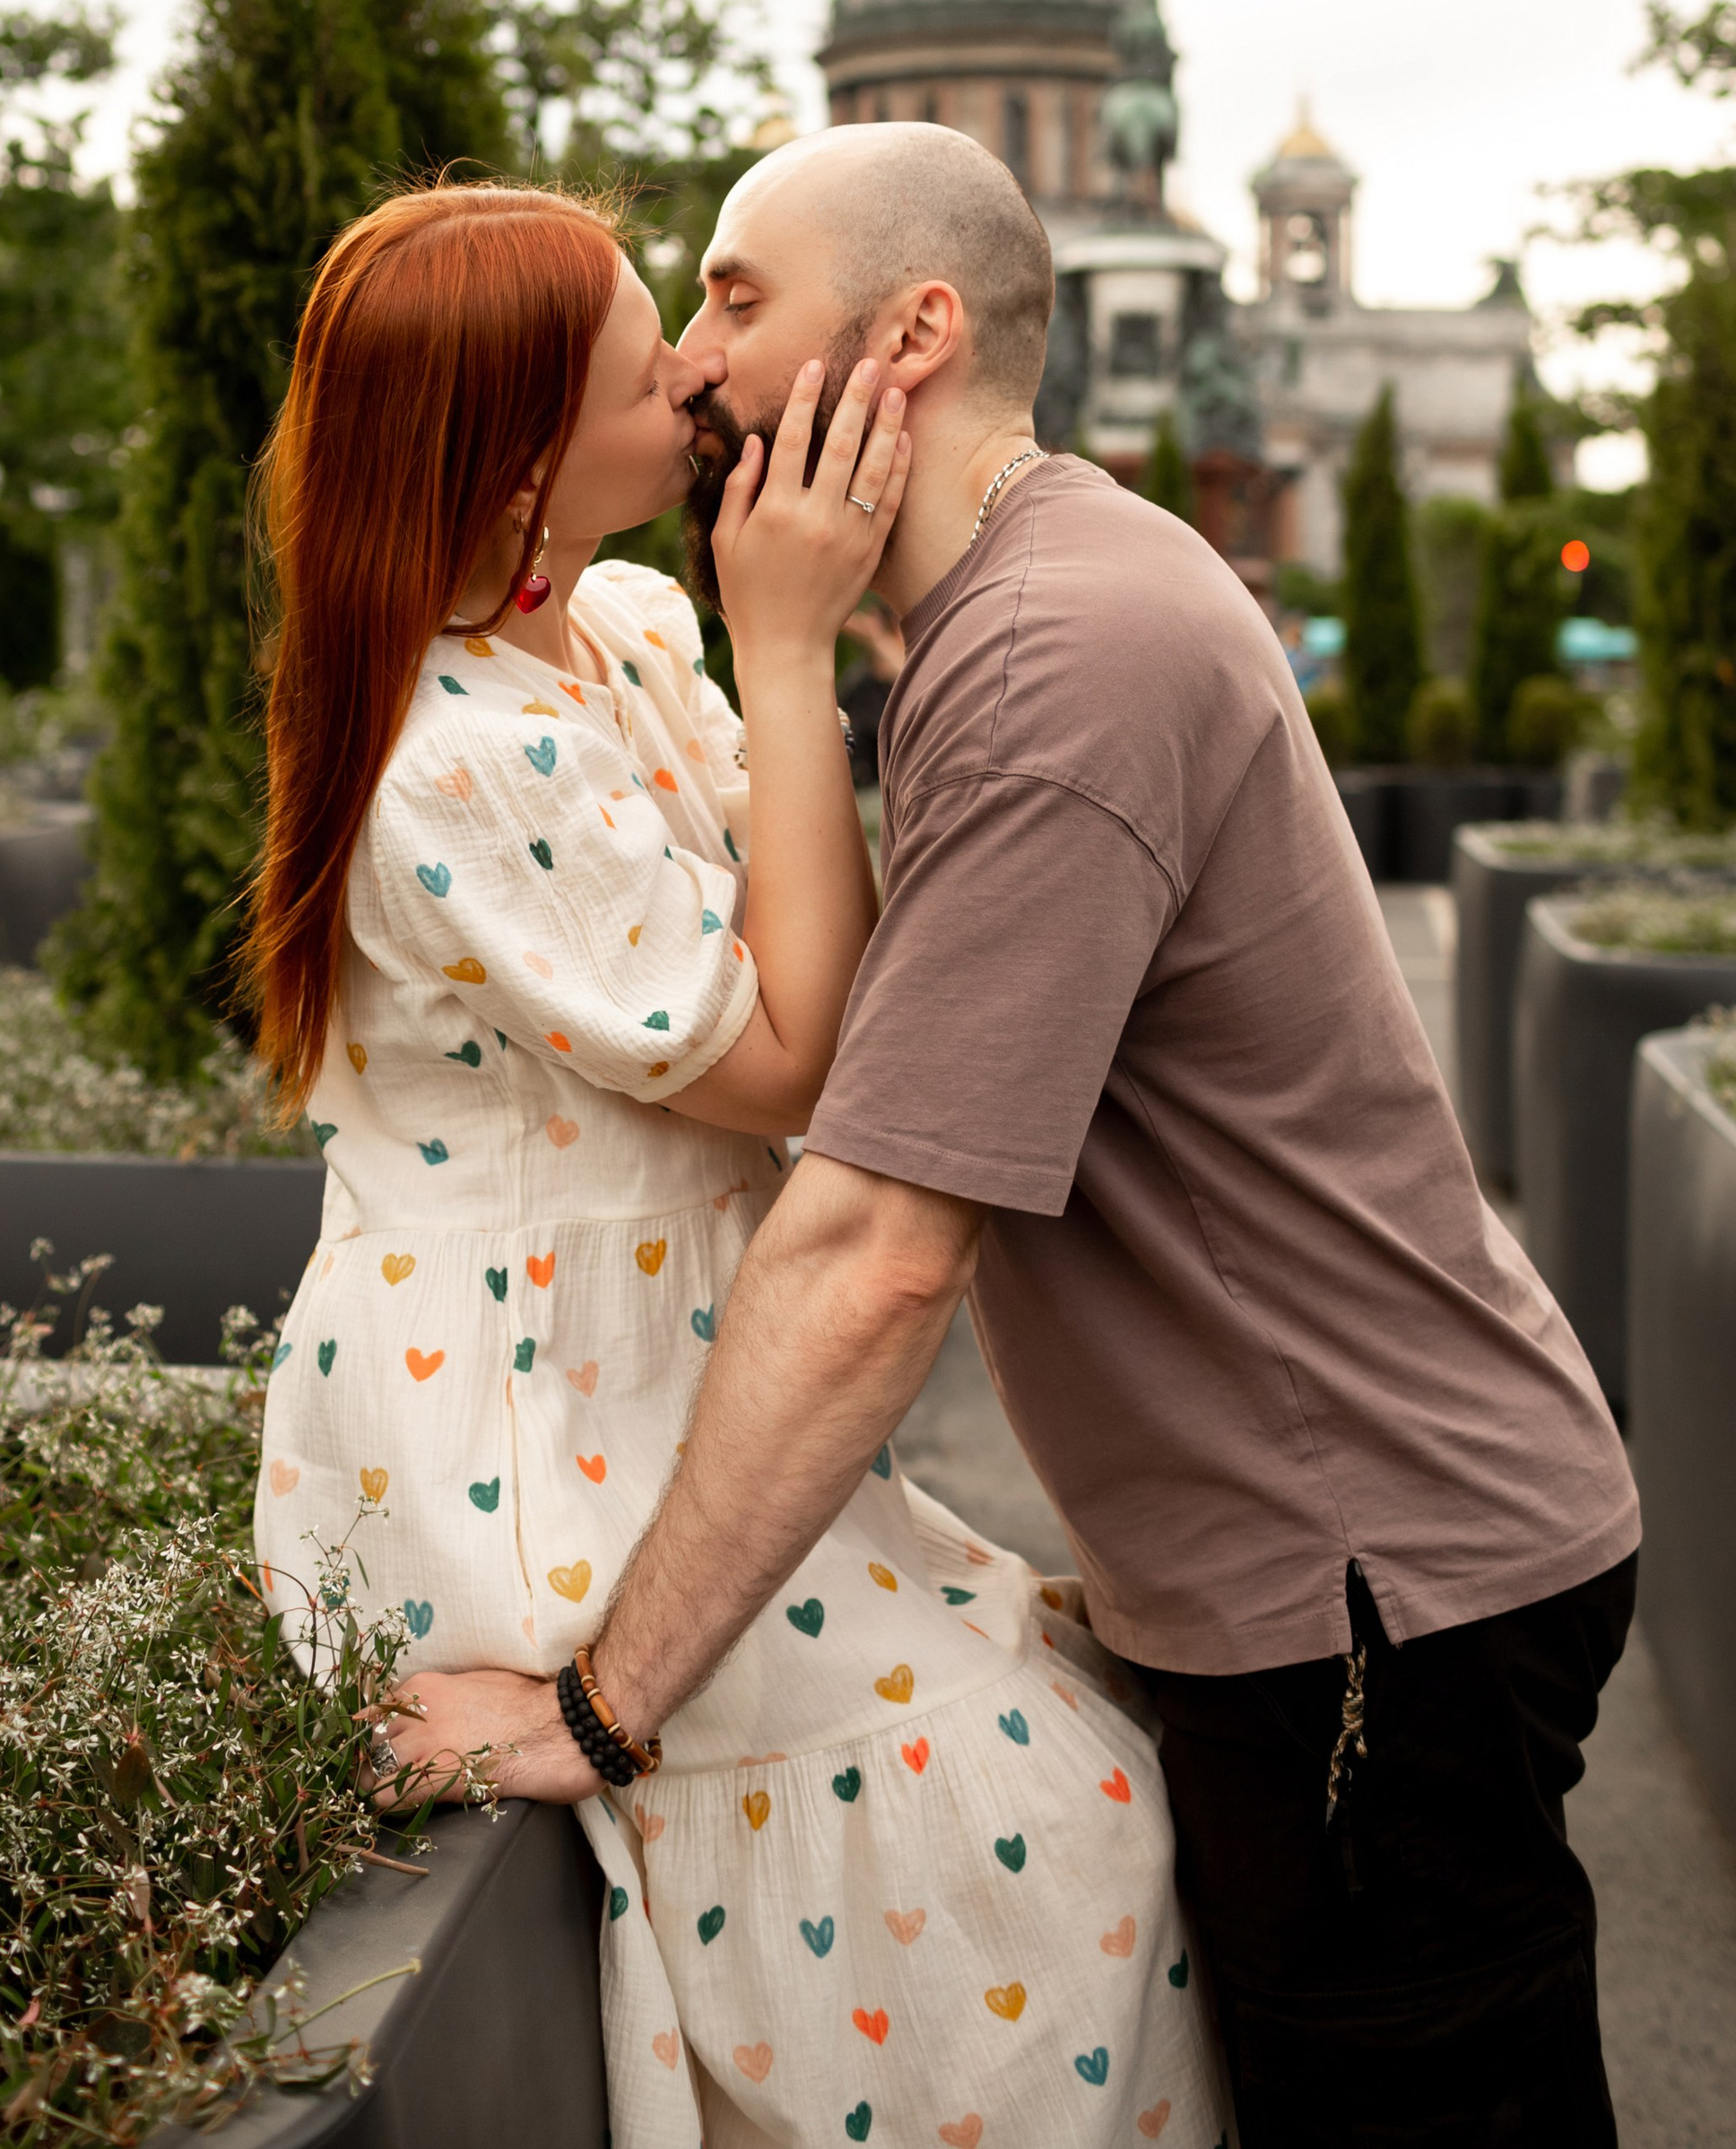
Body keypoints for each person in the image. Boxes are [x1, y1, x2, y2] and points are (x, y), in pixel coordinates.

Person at [400, 122, 1643, 2149]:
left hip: (1370, 1589)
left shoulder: (1055, 656)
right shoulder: (1022, 599)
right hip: (1360, 1563)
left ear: (909, 334)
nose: (693, 360)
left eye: (732, 296)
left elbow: (882, 1239)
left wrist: (597, 1705)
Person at [251, 181, 1229, 2149]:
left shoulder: (608, 626)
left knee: (1068, 1800)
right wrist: (785, 652)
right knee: (1059, 1827)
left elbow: (804, 959)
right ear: (527, 459)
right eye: (648, 362)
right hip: (543, 1423)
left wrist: (754, 643)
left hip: (677, 1370)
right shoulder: (458, 757)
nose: (696, 375)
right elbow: (802, 1053)